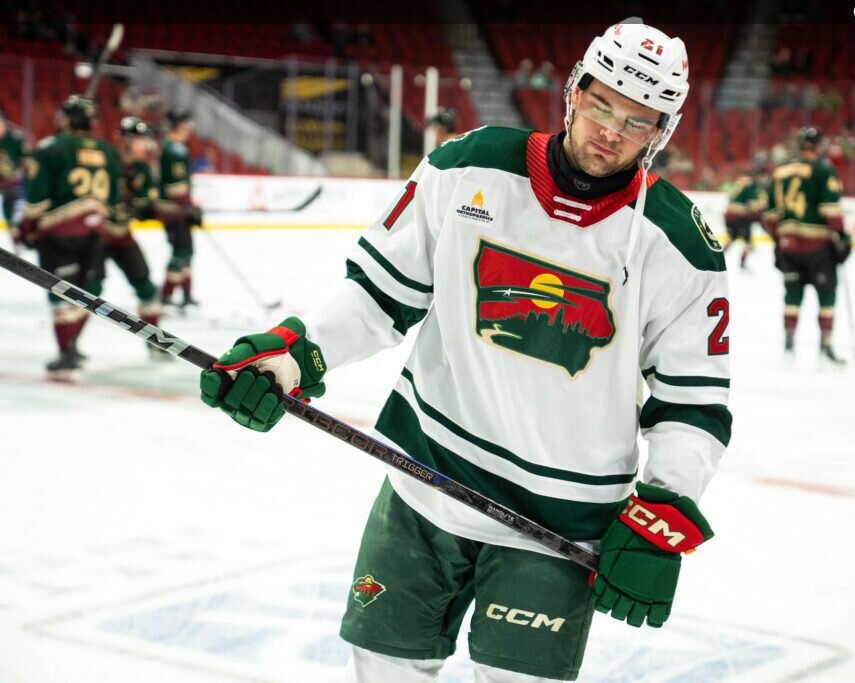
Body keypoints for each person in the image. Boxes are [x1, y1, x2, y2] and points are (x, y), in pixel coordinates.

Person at [199, 18, 731, 682]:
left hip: (561, 524)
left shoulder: (680, 244)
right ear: (574, 91)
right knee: (382, 670)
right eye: (601, 105)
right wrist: (293, 356)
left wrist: (664, 507)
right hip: (425, 485)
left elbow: (693, 402)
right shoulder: (466, 165)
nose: (611, 130)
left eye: (637, 121)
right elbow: (379, 295)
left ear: (661, 132)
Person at [19, 95, 121, 379]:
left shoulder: (50, 147)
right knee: (89, 290)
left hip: (57, 232)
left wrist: (26, 227)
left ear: (66, 118)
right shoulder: (107, 150)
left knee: (60, 291)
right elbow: (113, 197)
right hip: (94, 231)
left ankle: (67, 350)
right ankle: (72, 344)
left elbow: (36, 197)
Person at [762, 126, 851, 363]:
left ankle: (789, 345)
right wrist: (842, 236)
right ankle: (825, 347)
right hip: (818, 247)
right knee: (827, 295)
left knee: (792, 294)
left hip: (788, 247)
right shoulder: (824, 169)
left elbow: (768, 215)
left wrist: (780, 239)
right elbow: (830, 210)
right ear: (819, 145)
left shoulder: (780, 170)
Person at [103, 116, 163, 357]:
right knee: (87, 288)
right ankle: (68, 346)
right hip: (97, 236)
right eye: (138, 138)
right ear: (123, 139)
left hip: (122, 235)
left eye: (145, 139)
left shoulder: (142, 169)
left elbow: (145, 208)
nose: (144, 144)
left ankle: (155, 341)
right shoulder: (105, 159)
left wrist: (171, 212)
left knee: (146, 288)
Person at [157, 106, 201, 308]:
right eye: (186, 123)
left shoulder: (176, 148)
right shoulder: (173, 149)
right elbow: (175, 188)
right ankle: (167, 294)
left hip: (180, 210)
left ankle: (186, 294)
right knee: (181, 251)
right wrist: (189, 207)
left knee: (187, 251)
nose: (190, 127)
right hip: (173, 211)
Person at [723, 169, 767, 271]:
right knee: (747, 242)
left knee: (730, 238)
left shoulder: (738, 183)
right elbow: (752, 204)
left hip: (729, 215)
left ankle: (717, 257)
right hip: (742, 216)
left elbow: (730, 196)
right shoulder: (753, 185)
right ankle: (742, 263)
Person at [0, 106, 28, 235]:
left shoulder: (16, 139)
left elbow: (26, 161)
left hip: (12, 186)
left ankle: (12, 228)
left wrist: (18, 173)